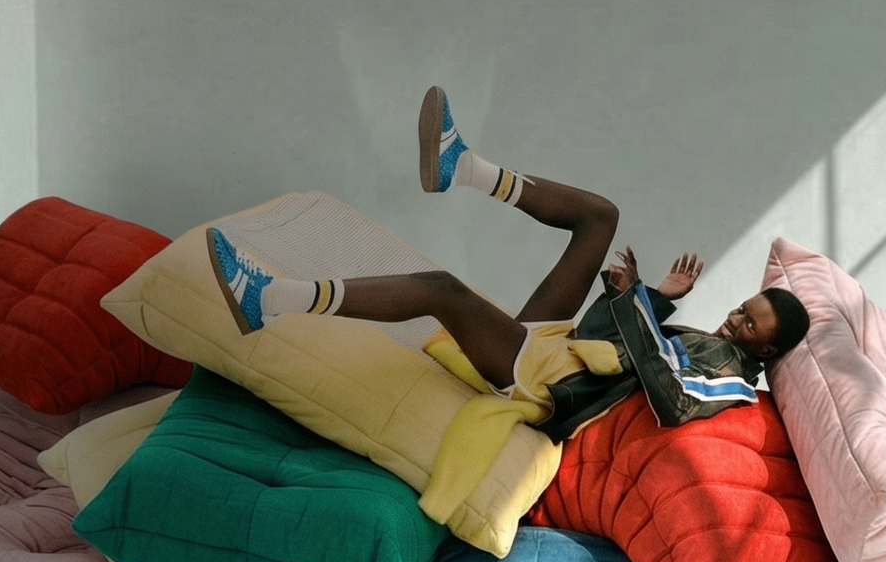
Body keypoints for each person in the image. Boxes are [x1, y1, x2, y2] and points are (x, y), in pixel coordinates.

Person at [206, 88, 811, 459]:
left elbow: (673, 400)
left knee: (440, 291)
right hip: (563, 352)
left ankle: (270, 297)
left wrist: (637, 307)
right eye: (742, 308)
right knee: (601, 219)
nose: (736, 319)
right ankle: (462, 166)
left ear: (771, 346)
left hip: (549, 388)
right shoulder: (713, 345)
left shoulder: (734, 384)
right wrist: (652, 296)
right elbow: (629, 350)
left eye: (750, 324)